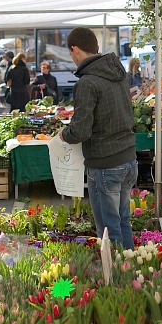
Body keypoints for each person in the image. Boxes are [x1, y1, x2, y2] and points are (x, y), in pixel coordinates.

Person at [59, 27, 137, 250]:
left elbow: (81, 131)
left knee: (108, 228)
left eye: (70, 53)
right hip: (128, 158)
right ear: (96, 48)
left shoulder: (87, 82)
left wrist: (64, 134)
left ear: (74, 50)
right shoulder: (118, 72)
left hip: (105, 163)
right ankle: (129, 268)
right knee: (122, 221)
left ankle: (116, 278)